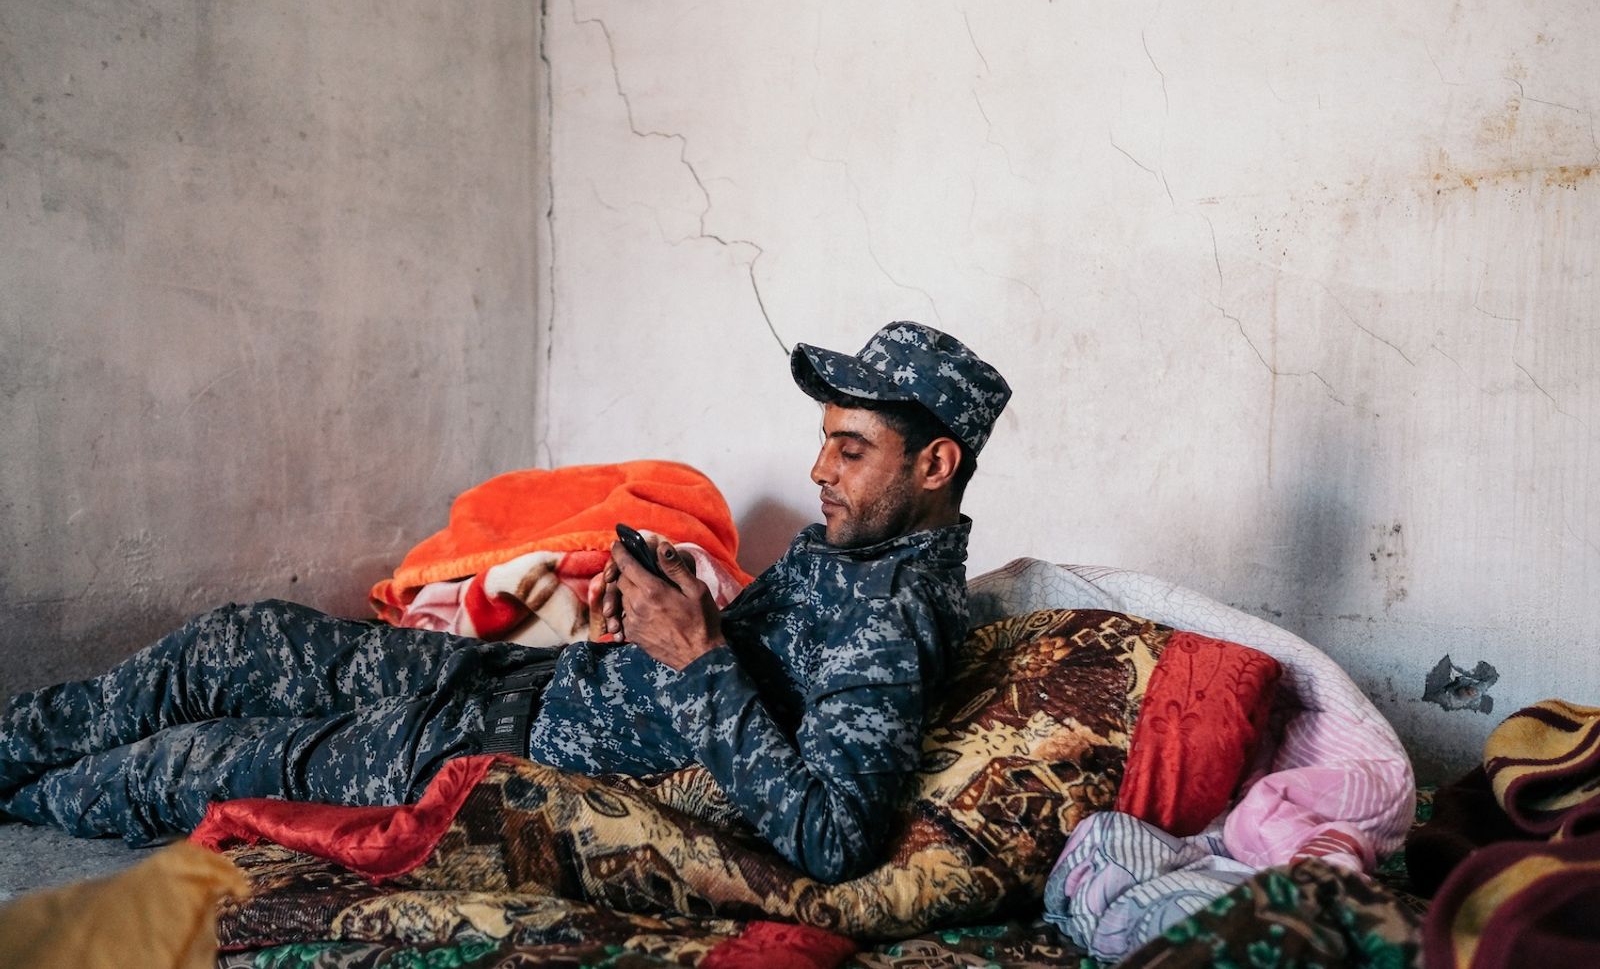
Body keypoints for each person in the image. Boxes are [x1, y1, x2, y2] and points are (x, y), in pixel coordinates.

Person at [0, 320, 1010, 883]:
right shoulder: (851, 552)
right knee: (239, 640)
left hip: (503, 752)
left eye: (849, 448)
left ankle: (20, 786)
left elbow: (832, 836)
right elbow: (733, 664)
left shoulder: (891, 629)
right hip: (523, 678)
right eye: (824, 439)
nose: (817, 468)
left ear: (934, 462)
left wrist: (697, 656)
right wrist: (666, 609)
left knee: (199, 757)